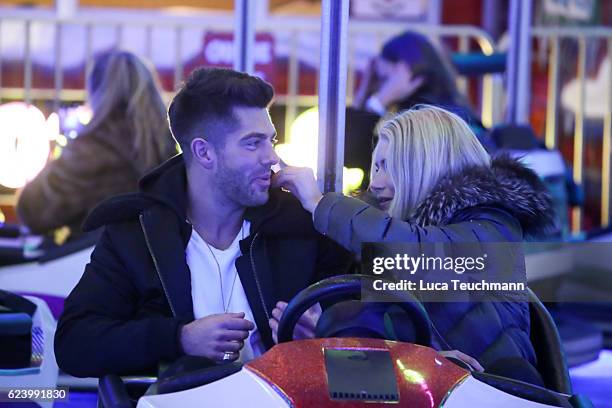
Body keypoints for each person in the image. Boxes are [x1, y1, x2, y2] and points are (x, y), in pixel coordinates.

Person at [54, 67, 352, 378]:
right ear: (204, 152)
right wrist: (179, 338)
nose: (271, 157)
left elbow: (385, 314)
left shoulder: (303, 227)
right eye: (253, 143)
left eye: (270, 140)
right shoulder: (137, 234)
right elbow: (74, 343)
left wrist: (327, 335)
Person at [272, 105, 554, 384]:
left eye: (388, 167)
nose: (375, 184)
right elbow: (382, 371)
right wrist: (328, 340)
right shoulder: (390, 245)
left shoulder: (492, 225)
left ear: (423, 166)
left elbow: (416, 252)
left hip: (495, 391)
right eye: (376, 167)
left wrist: (320, 204)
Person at [17, 50, 176, 238]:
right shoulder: (167, 145)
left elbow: (32, 211)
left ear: (96, 92)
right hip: (156, 260)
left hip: (95, 261)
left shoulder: (91, 148)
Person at [346, 31, 492, 188]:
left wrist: (377, 103)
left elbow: (351, 154)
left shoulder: (423, 116)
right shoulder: (447, 107)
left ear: (406, 74)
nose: (380, 88)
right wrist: (363, 96)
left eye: (384, 79)